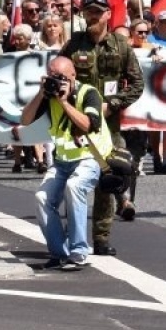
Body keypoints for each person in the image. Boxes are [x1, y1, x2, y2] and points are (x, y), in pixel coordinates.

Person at [59, 0, 143, 256]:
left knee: (109, 179)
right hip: (78, 125)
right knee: (74, 181)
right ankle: (73, 235)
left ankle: (102, 238)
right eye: (88, 12)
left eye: (97, 12)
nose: (92, 17)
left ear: (108, 14)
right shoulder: (74, 44)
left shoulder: (121, 45)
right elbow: (59, 74)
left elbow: (137, 84)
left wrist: (113, 104)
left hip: (108, 125)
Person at [22, 55, 108, 271]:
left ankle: (79, 251)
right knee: (42, 198)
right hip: (62, 160)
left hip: (89, 157)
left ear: (73, 76)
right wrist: (42, 93)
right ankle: (60, 253)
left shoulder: (88, 93)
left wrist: (63, 101)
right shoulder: (48, 95)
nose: (56, 82)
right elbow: (25, 120)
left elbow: (89, 124)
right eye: (52, 77)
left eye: (61, 78)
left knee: (75, 187)